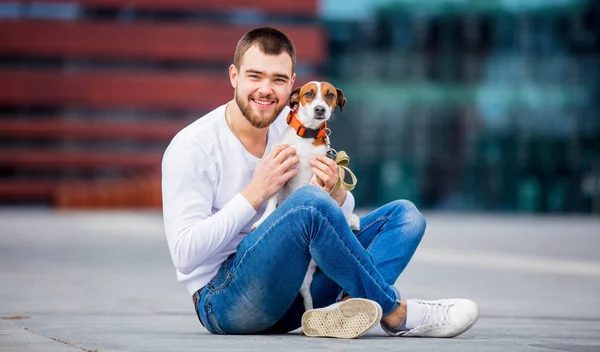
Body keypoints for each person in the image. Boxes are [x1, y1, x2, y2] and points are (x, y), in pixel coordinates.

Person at [161, 27, 479, 338]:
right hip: (226, 300)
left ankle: (347, 308)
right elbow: (184, 255)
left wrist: (337, 191)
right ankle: (396, 313)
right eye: (254, 76)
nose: (266, 89)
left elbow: (331, 213)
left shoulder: (297, 127)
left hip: (297, 294)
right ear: (234, 76)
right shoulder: (193, 146)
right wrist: (255, 194)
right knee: (309, 204)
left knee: (405, 217)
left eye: (278, 79)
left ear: (293, 86)